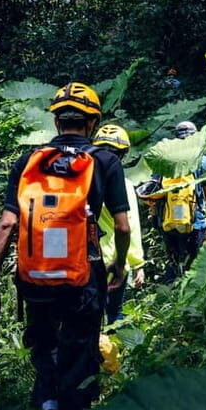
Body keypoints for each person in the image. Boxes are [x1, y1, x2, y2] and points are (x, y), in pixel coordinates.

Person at [0, 82, 130, 410]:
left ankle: (48, 409)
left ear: (57, 121)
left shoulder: (28, 161)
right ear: (92, 122)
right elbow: (122, 225)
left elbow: (7, 224)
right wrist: (119, 263)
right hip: (84, 275)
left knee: (44, 343)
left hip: (35, 276)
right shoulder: (105, 160)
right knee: (80, 348)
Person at [144, 120, 206, 283]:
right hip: (195, 222)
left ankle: (169, 293)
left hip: (167, 221)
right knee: (196, 264)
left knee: (175, 262)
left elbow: (151, 192)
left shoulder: (163, 163)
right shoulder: (203, 161)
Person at [91, 124, 146, 324]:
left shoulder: (82, 180)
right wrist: (136, 263)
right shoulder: (124, 185)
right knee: (114, 316)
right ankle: (116, 353)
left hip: (84, 260)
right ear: (122, 155)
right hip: (115, 261)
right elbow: (128, 226)